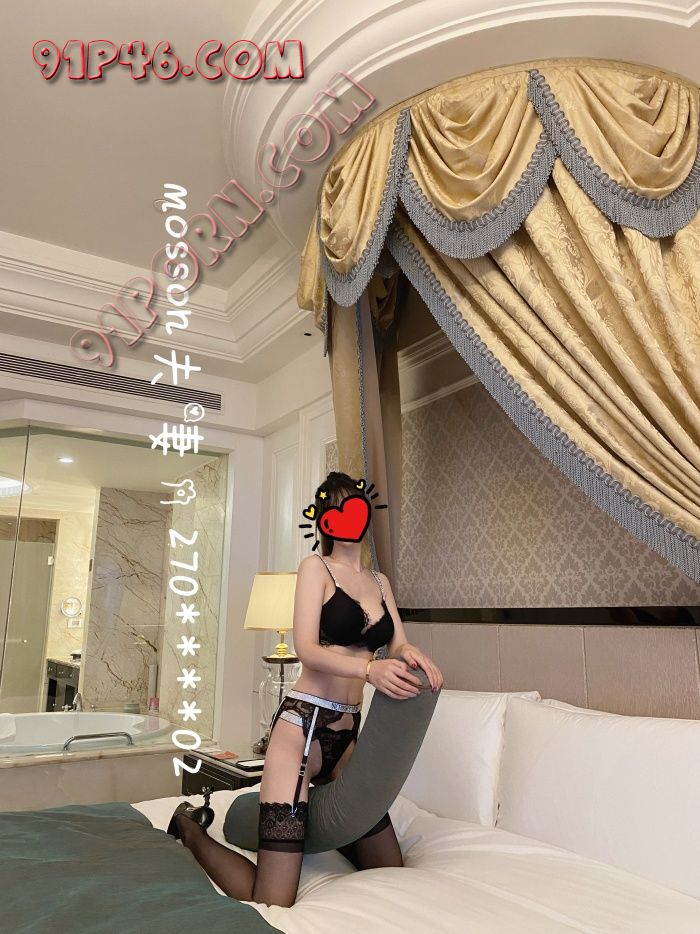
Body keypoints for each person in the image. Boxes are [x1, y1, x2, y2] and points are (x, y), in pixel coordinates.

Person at [167, 471, 444, 907]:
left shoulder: (380, 581)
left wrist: (412, 654)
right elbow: (307, 649)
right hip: (302, 727)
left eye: (354, 504)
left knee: (389, 868)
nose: (347, 514)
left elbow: (397, 643)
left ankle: (316, 836)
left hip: (347, 734)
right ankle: (188, 828)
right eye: (335, 507)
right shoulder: (316, 568)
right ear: (324, 520)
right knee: (274, 897)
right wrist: (368, 669)